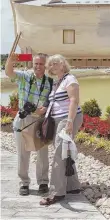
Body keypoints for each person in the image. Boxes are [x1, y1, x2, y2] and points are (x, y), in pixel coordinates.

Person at [5, 52, 53, 196]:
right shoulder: (24, 76)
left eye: (41, 64)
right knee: (22, 153)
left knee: (42, 153)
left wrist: (46, 108)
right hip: (23, 119)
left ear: (45, 66)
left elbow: (52, 100)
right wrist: (10, 61)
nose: (38, 66)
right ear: (33, 64)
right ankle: (24, 183)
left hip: (40, 121)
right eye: (36, 63)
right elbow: (9, 72)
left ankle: (43, 182)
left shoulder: (50, 82)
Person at [40, 54, 83, 205]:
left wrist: (70, 121)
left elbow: (74, 100)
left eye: (55, 64)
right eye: (50, 65)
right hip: (58, 120)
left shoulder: (70, 79)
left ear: (63, 65)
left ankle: (56, 192)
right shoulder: (58, 82)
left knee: (59, 152)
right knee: (65, 151)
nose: (52, 67)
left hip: (67, 119)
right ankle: (73, 186)